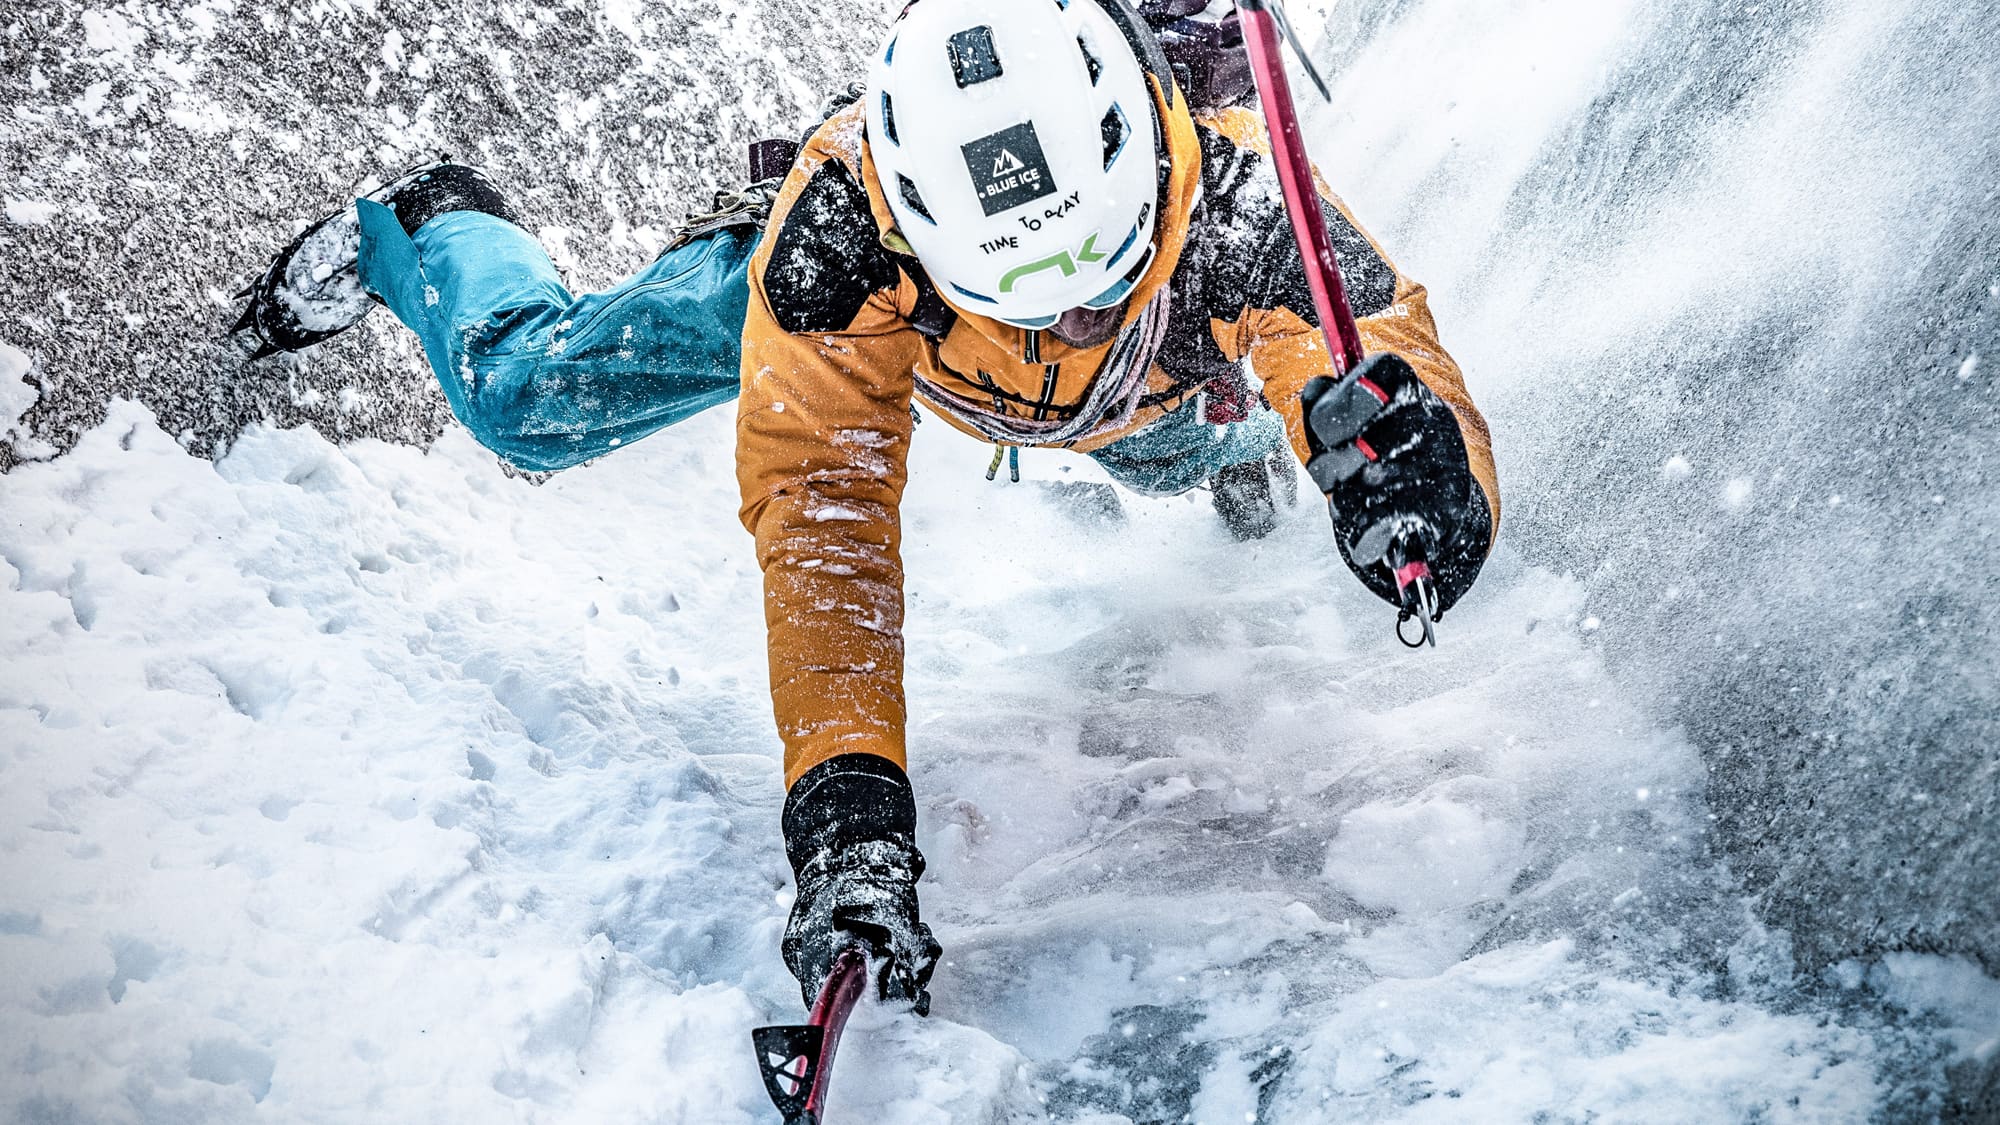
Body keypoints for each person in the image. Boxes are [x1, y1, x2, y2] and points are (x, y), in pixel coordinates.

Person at [233, 0, 1497, 1016]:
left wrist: (1423, 481)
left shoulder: (1240, 206)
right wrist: (845, 811)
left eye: (1096, 280)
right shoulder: (835, 243)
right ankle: (429, 221)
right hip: (885, 317)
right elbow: (824, 523)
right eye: (1031, 298)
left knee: (1197, 450)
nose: (1069, 317)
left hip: (1161, 365)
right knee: (525, 399)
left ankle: (1242, 447)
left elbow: (1384, 346)